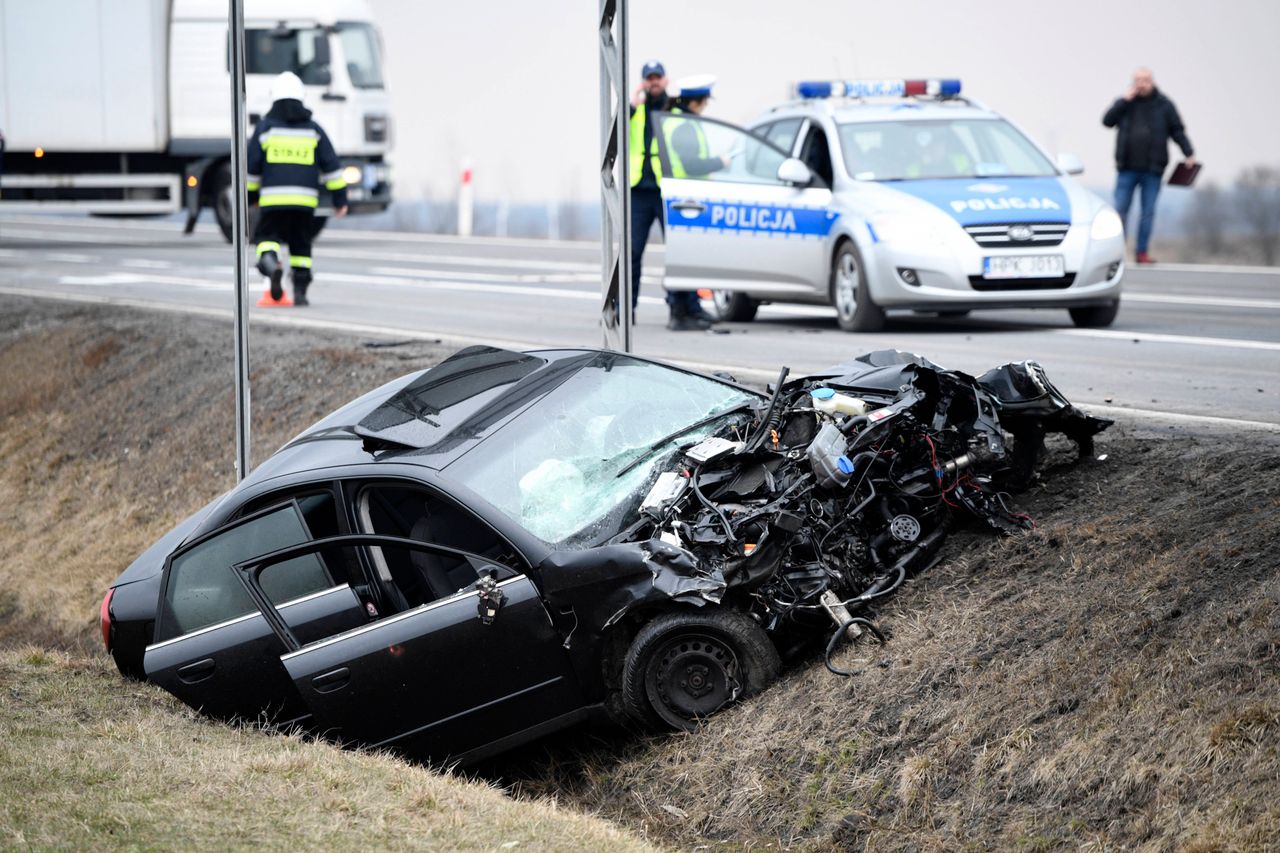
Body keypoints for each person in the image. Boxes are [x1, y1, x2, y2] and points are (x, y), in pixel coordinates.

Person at [246, 71, 348, 306]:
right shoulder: (313, 129)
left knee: (267, 238)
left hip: (273, 201)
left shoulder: (265, 128)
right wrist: (340, 200)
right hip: (305, 202)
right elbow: (332, 167)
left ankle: (272, 267)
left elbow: (252, 168)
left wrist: (251, 196)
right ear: (301, 97)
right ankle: (300, 292)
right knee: (301, 245)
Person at [1102, 67, 1195, 264]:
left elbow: (1177, 131)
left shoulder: (1164, 105)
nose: (1142, 84)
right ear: (1133, 82)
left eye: (1145, 80)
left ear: (1152, 82)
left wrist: (1189, 153)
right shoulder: (1125, 104)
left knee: (1148, 212)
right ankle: (1117, 253)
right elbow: (1107, 121)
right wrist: (1123, 101)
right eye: (1138, 80)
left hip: (1153, 170)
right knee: (1120, 211)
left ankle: (1141, 252)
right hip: (1126, 168)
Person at [662, 75, 730, 330]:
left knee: (685, 256)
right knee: (686, 258)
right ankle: (683, 313)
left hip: (682, 196)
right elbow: (691, 164)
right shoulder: (684, 125)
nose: (706, 107)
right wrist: (720, 163)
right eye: (705, 102)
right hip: (686, 197)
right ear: (696, 102)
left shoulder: (679, 121)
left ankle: (689, 310)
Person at [627, 60, 669, 319]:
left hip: (666, 191)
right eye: (649, 78)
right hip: (638, 190)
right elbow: (617, 128)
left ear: (664, 79)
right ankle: (625, 308)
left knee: (678, 253)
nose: (654, 82)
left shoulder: (672, 107)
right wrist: (633, 101)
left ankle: (679, 308)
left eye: (658, 77)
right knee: (632, 251)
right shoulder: (636, 110)